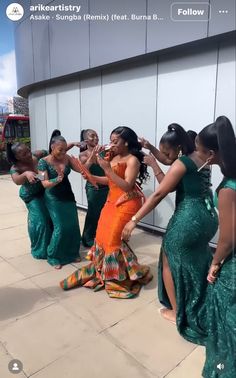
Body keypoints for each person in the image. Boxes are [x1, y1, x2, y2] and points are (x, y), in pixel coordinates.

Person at [122, 124, 218, 344]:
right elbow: (168, 161)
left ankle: (177, 313)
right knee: (198, 260)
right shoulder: (201, 159)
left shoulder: (182, 163)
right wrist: (156, 152)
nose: (164, 156)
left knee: (168, 260)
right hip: (208, 217)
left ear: (177, 149)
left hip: (188, 219)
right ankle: (201, 300)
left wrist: (133, 220)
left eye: (167, 151)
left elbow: (158, 194)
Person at [60, 126, 153, 298]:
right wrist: (93, 177)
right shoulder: (113, 156)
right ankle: (106, 271)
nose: (111, 144)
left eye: (115, 141)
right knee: (102, 237)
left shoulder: (133, 160)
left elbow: (127, 185)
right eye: (111, 140)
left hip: (126, 203)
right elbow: (111, 182)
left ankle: (116, 280)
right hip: (111, 201)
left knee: (113, 241)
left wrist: (107, 168)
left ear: (126, 142)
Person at [195, 116, 236, 378]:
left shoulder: (228, 187)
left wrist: (215, 263)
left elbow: (229, 238)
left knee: (225, 322)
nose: (198, 157)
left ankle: (224, 369)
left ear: (211, 154)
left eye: (199, 151)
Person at [37, 130, 84, 269]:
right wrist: (57, 179)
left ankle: (72, 252)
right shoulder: (42, 162)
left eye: (65, 149)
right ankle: (53, 255)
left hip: (68, 195)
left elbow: (82, 170)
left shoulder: (67, 158)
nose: (63, 152)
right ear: (52, 147)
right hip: (53, 197)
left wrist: (92, 160)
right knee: (61, 227)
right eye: (60, 150)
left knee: (73, 225)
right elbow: (43, 183)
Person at [7, 143, 52, 259]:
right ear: (17, 157)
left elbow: (54, 150)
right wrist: (26, 174)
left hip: (44, 191)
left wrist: (73, 144)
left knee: (51, 217)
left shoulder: (37, 155)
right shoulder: (15, 168)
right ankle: (39, 250)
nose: (29, 154)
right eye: (24, 153)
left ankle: (52, 246)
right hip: (31, 196)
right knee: (40, 220)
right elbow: (17, 181)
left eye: (28, 150)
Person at [79, 129, 108, 248]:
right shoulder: (83, 154)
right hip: (93, 188)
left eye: (96, 136)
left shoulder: (104, 151)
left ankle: (101, 236)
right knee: (93, 213)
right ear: (85, 140)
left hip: (107, 186)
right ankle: (88, 238)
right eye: (92, 136)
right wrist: (92, 156)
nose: (96, 138)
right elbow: (83, 170)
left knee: (105, 213)